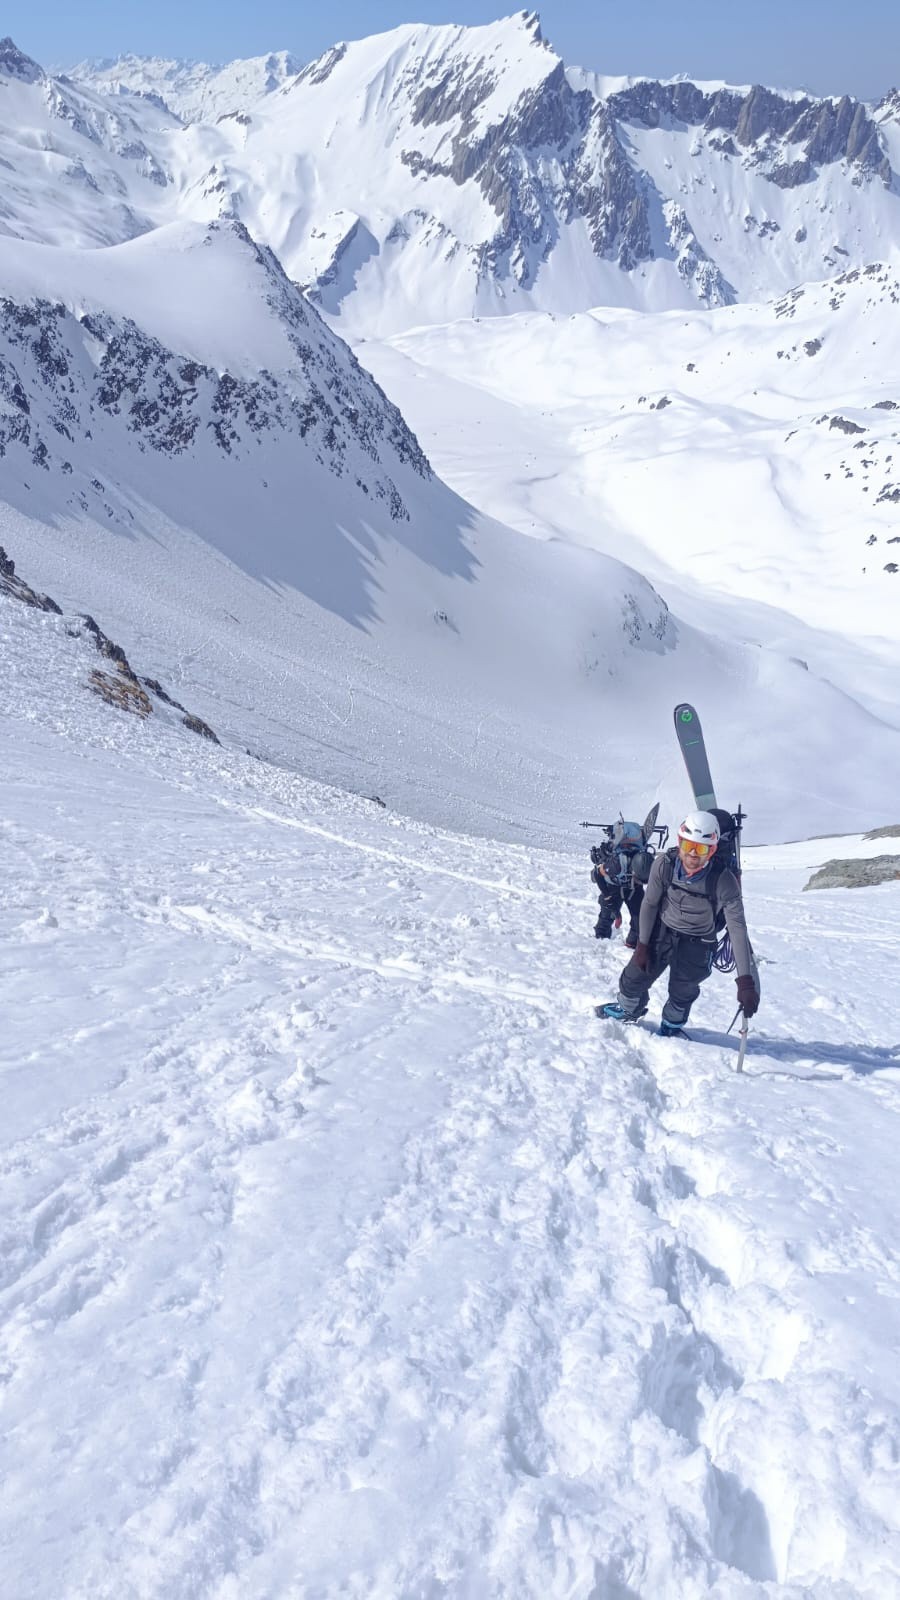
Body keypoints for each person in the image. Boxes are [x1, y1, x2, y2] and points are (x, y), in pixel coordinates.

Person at [598, 810, 760, 1036]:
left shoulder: (724, 881)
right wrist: (643, 945)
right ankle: (628, 1008)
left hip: (699, 942)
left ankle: (671, 1026)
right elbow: (650, 903)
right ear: (680, 842)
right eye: (688, 845)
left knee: (683, 990)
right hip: (662, 930)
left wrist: (745, 982)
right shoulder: (664, 864)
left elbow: (737, 928)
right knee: (633, 977)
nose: (693, 855)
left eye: (701, 849)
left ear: (712, 850)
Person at [591, 819, 646, 948]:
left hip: (633, 888)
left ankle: (631, 944)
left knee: (640, 919)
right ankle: (600, 942)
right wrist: (607, 897)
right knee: (606, 917)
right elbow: (598, 874)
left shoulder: (644, 865)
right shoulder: (617, 863)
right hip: (612, 886)